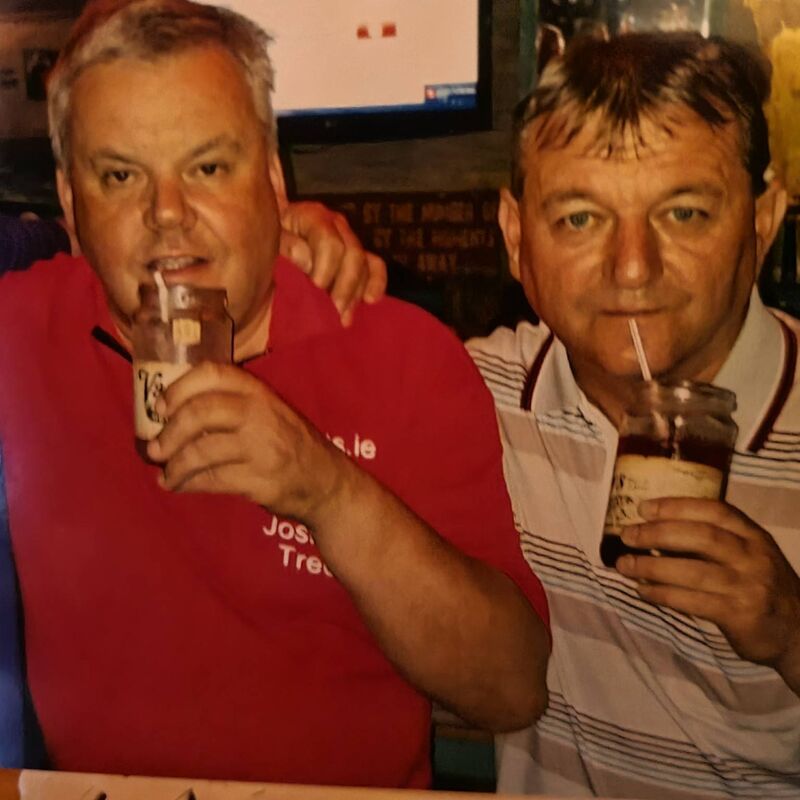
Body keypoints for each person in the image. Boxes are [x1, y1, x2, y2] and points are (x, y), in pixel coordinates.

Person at [0, 0, 550, 788]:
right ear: (70, 203)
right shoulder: (20, 332)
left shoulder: (402, 356)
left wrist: (325, 490)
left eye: (209, 168)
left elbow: (508, 689)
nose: (167, 216)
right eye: (120, 175)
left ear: (272, 178)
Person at [465, 32, 800, 798]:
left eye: (683, 212)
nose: (632, 267)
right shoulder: (475, 397)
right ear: (518, 238)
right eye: (580, 219)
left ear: (763, 218)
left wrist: (792, 631)